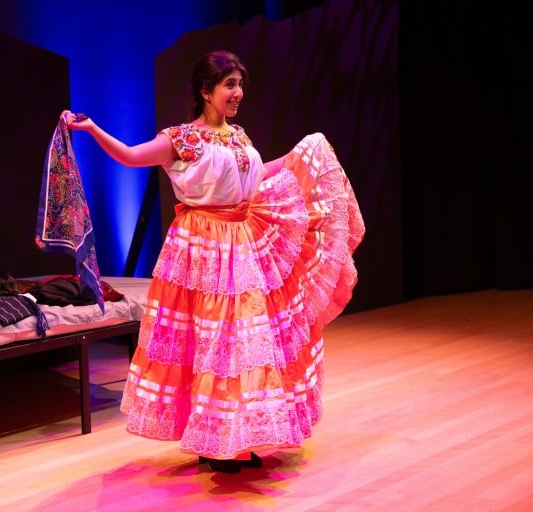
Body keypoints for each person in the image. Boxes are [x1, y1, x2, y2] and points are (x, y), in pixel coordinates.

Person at [62, 50, 365, 473]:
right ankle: (215, 440)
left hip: (241, 243)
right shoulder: (183, 138)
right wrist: (92, 128)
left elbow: (256, 178)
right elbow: (131, 156)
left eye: (240, 84)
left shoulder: (239, 136)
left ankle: (245, 432)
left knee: (247, 342)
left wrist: (302, 157)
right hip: (201, 250)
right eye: (229, 85)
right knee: (212, 344)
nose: (237, 93)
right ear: (206, 91)